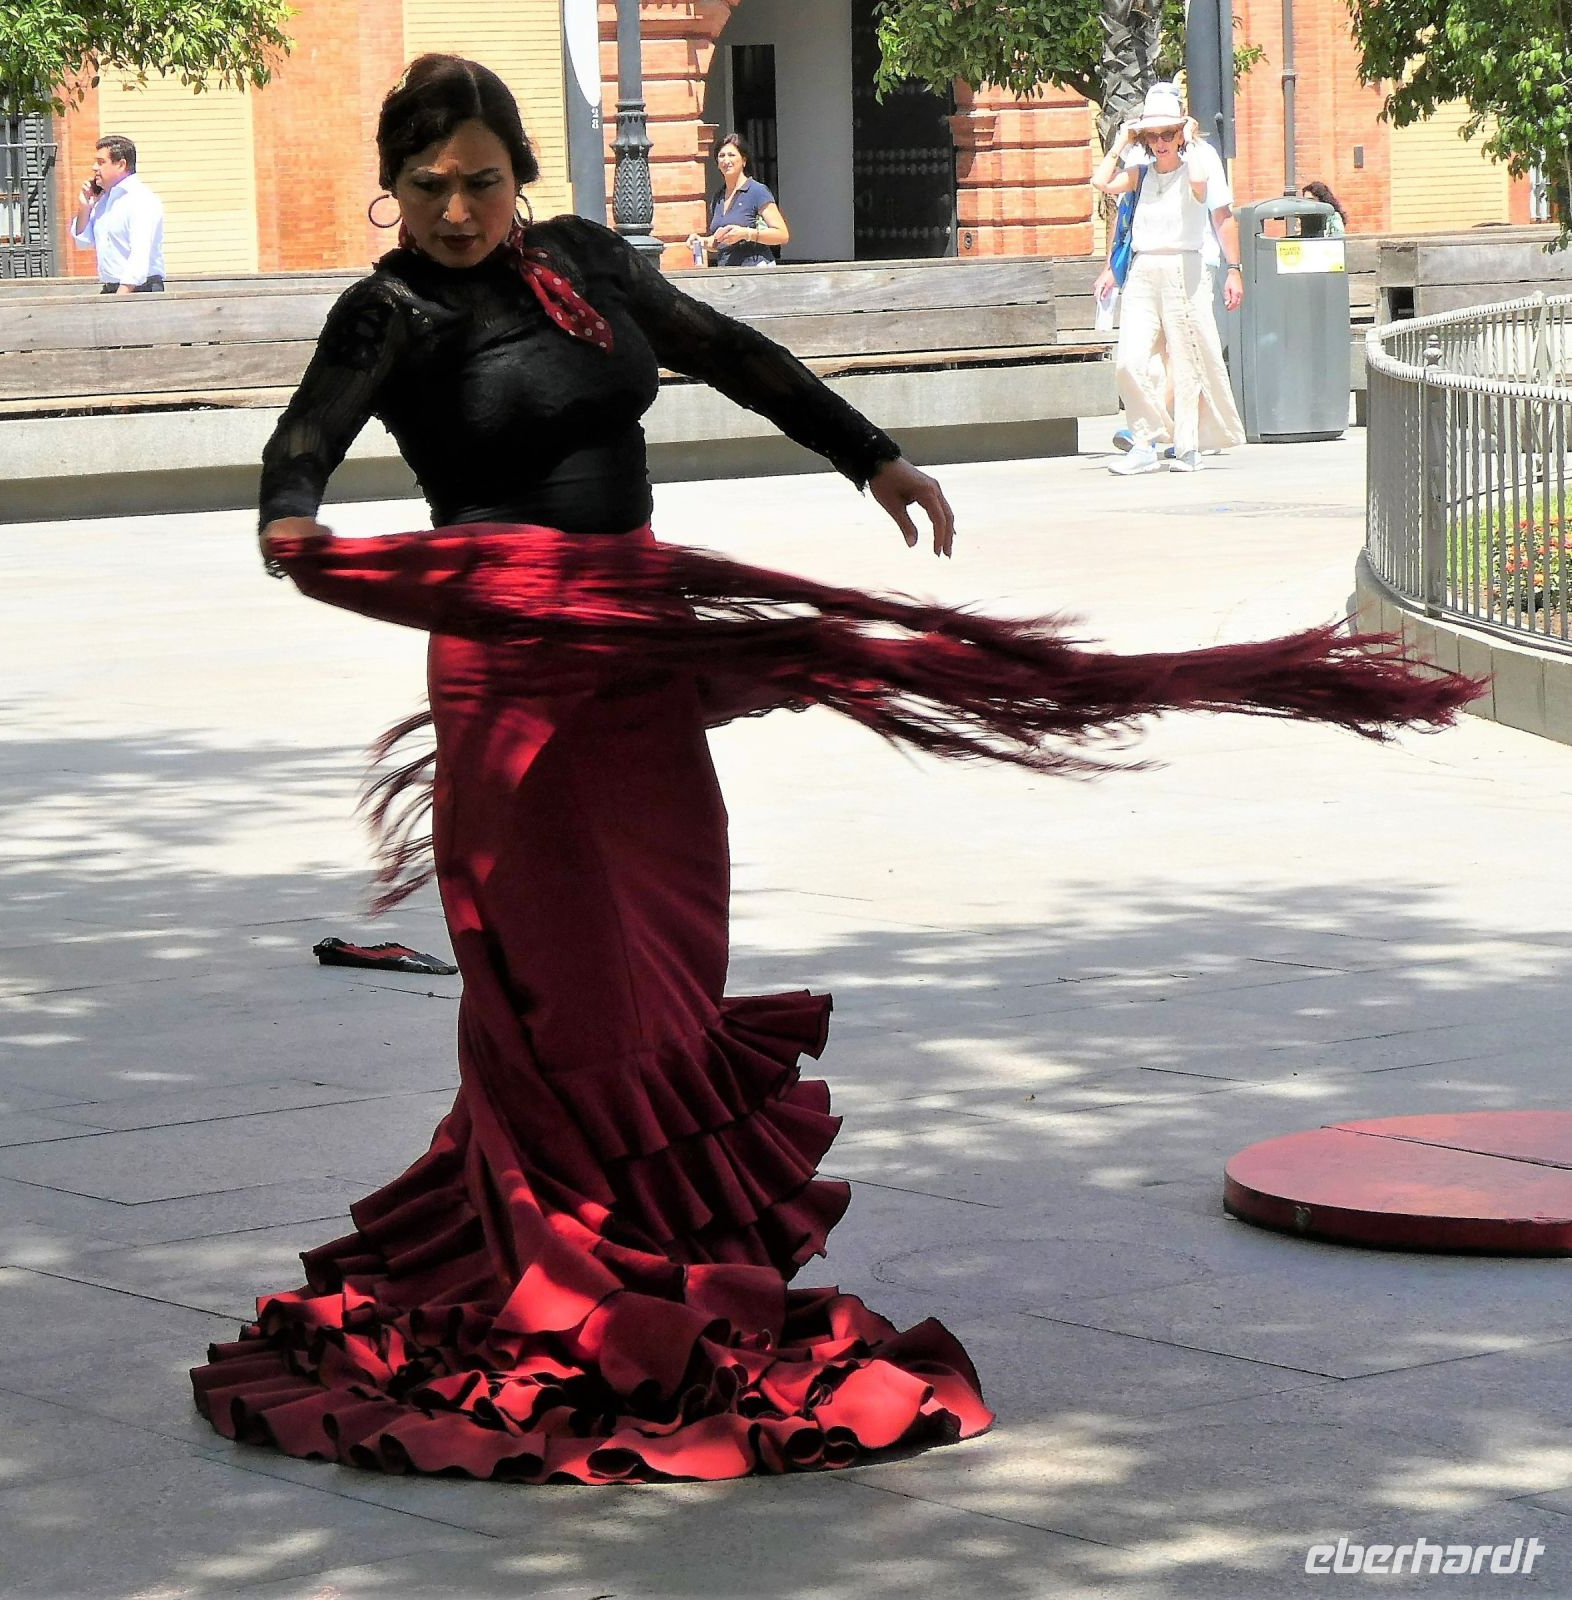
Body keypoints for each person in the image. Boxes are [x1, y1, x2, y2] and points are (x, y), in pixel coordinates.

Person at [192, 54, 1479, 1486]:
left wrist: (873, 459)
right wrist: (300, 526)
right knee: (565, 981)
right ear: (397, 186)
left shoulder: (585, 262)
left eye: (479, 180)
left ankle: (664, 1247)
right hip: (510, 677)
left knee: (669, 954)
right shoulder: (388, 311)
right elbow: (295, 453)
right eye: (426, 185)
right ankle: (568, 1270)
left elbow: (733, 352)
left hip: (641, 656)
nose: (453, 208)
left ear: (519, 176)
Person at [1091, 83, 1246, 475]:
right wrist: (1123, 140)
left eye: (1167, 134)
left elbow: (1204, 192)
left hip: (1185, 268)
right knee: (1128, 361)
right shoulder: (1138, 173)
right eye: (1153, 135)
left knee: (1188, 357)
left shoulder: (1198, 161)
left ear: (1179, 133)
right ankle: (1145, 439)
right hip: (1144, 272)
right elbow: (1100, 182)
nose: (1160, 142)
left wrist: (1234, 269)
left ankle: (1188, 445)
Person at [69, 136, 166, 294]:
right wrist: (85, 207)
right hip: (114, 289)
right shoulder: (104, 200)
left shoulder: (140, 199)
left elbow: (140, 255)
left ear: (121, 165)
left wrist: (120, 298)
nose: (94, 168)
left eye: (101, 162)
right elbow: (83, 242)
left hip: (138, 290)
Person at [685, 131, 789, 267]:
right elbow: (719, 243)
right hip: (728, 276)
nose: (726, 160)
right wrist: (701, 242)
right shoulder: (718, 197)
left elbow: (782, 235)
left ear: (744, 160)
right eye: (721, 156)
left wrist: (746, 234)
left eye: (731, 155)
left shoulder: (757, 191)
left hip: (756, 272)